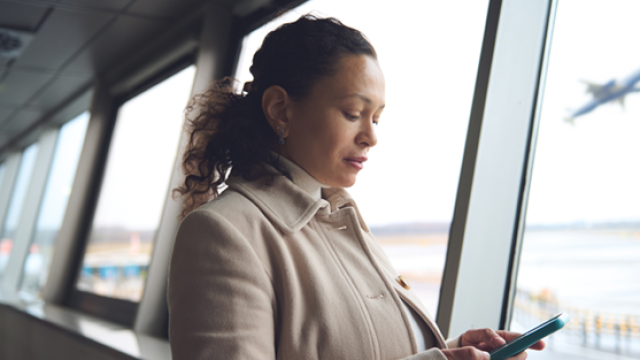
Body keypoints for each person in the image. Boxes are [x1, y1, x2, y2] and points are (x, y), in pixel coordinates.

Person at [167, 14, 545, 360]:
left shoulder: (338, 216)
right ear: (281, 109)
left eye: (377, 118)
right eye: (353, 114)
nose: (371, 137)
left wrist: (453, 351)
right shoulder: (222, 232)